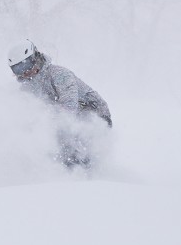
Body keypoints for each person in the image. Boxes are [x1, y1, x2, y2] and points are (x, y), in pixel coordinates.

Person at [7, 40, 111, 169]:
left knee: (67, 144)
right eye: (18, 69)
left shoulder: (59, 74)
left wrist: (49, 128)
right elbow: (25, 113)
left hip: (94, 113)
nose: (24, 72)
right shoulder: (27, 87)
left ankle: (82, 175)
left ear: (35, 58)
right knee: (47, 143)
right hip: (65, 117)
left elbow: (69, 105)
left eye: (25, 65)